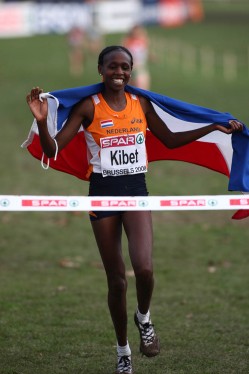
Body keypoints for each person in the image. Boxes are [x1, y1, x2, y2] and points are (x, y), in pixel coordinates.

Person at [26, 46, 243, 374]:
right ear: (100, 69)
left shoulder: (140, 104)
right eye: (112, 66)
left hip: (137, 195)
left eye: (125, 67)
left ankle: (144, 317)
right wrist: (42, 123)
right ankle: (123, 350)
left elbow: (169, 139)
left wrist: (212, 128)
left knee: (144, 270)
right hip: (103, 197)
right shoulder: (89, 107)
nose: (119, 72)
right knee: (117, 282)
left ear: (131, 70)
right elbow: (52, 149)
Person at [123, 25, 152, 90]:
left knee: (143, 88)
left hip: (140, 67)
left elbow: (145, 52)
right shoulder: (127, 41)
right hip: (130, 68)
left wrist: (150, 56)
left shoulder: (143, 40)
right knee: (130, 89)